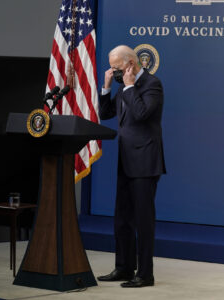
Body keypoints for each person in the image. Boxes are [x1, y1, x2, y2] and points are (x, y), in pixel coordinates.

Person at [96, 45, 166, 288]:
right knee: (122, 218)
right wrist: (106, 86)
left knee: (143, 220)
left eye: (116, 68)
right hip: (125, 161)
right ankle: (124, 268)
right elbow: (105, 113)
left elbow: (142, 114)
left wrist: (127, 86)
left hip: (145, 162)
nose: (114, 72)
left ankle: (145, 274)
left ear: (130, 65)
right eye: (112, 68)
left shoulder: (152, 85)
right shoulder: (124, 87)